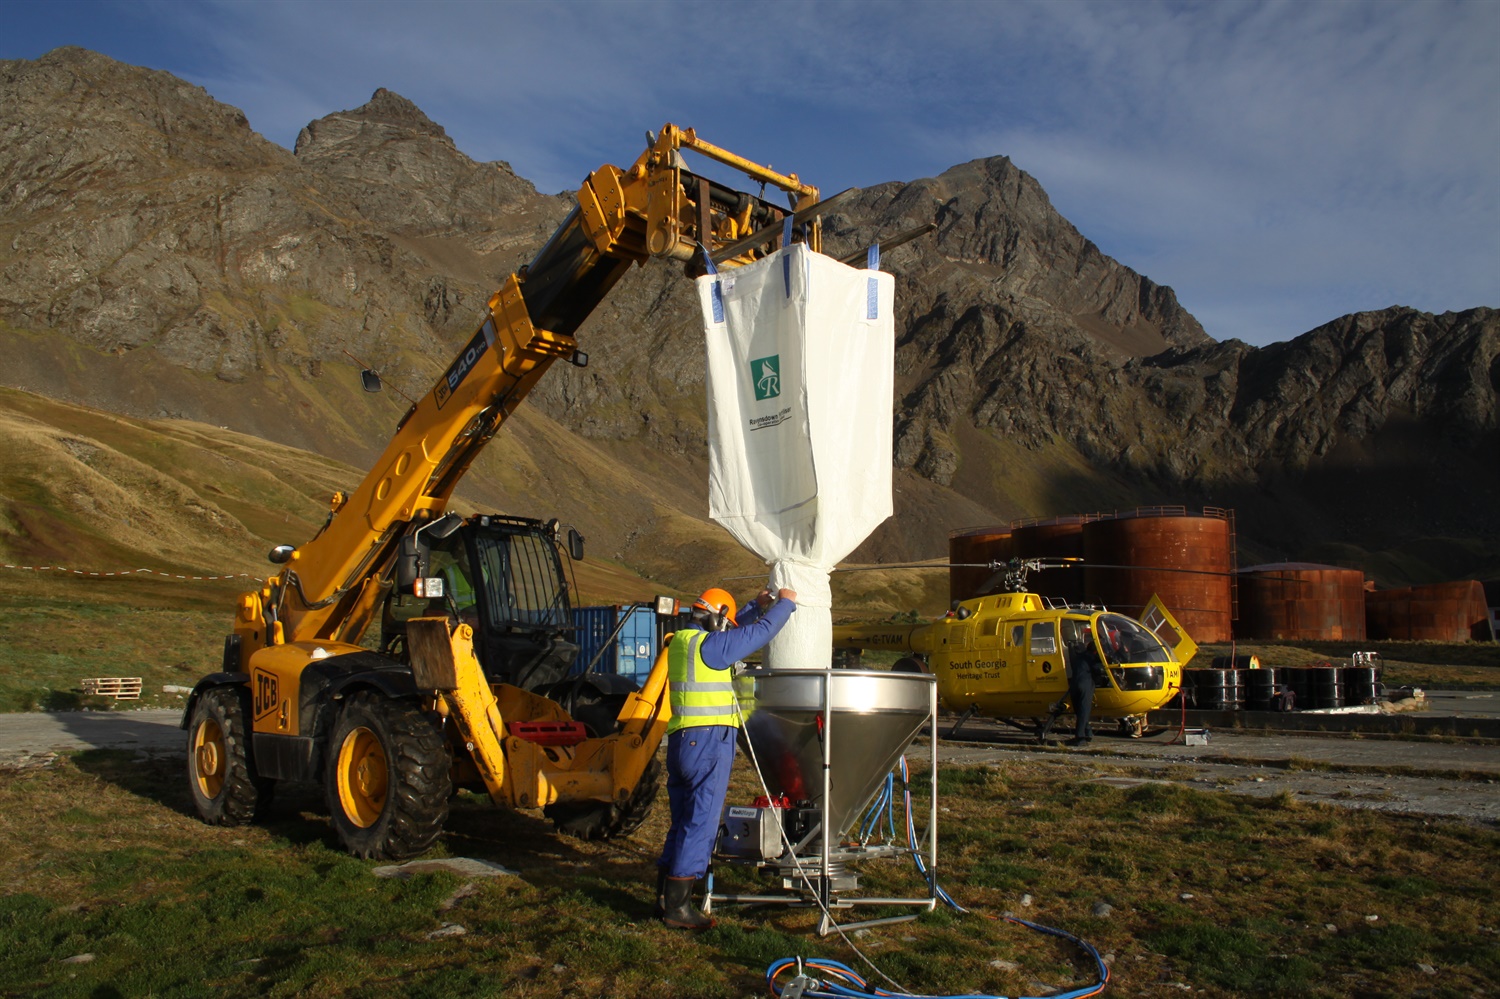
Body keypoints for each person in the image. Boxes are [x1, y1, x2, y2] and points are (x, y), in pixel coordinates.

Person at [656, 584, 797, 930]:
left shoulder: (684, 641)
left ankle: (664, 894)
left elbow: (734, 630)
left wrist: (754, 606)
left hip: (682, 741)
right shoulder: (712, 647)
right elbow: (757, 634)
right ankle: (679, 909)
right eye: (727, 620)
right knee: (701, 823)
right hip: (708, 743)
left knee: (682, 822)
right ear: (717, 617)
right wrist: (785, 605)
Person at [1065, 623, 1100, 747]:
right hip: (1085, 685)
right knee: (1084, 711)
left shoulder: (1078, 656)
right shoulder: (1091, 658)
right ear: (1096, 651)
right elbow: (1097, 670)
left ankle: (1088, 732)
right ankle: (1080, 737)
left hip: (1074, 684)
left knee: (1079, 711)